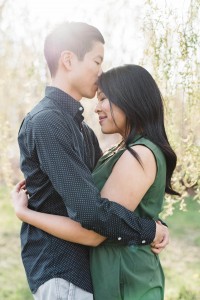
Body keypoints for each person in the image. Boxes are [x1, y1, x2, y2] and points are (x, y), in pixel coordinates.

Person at [13, 21, 169, 300]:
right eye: (97, 61)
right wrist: (150, 230)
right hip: (62, 271)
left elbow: (115, 202)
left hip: (88, 275)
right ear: (68, 60)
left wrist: (156, 225)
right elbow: (92, 212)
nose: (101, 72)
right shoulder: (48, 122)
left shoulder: (83, 131)